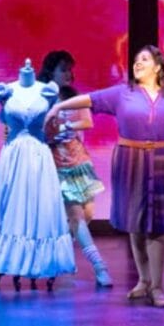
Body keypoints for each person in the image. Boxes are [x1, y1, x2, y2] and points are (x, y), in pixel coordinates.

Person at [47, 45, 164, 308]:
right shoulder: (123, 93)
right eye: (135, 60)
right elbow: (89, 99)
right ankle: (143, 280)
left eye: (144, 59)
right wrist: (59, 107)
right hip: (130, 159)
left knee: (158, 227)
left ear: (158, 66)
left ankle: (157, 286)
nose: (137, 63)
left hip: (163, 159)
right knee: (135, 223)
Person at [0, 58, 75, 290]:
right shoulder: (6, 91)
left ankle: (43, 262)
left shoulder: (47, 91)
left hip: (39, 154)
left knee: (42, 205)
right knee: (13, 206)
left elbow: (55, 126)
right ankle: (10, 260)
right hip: (13, 155)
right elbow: (5, 122)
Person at [39, 50, 113, 287]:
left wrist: (67, 125)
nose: (69, 74)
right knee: (76, 216)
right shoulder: (41, 97)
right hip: (57, 163)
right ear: (50, 71)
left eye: (70, 69)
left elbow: (88, 121)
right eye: (63, 69)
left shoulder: (73, 96)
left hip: (79, 160)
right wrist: (53, 132)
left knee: (88, 213)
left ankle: (58, 251)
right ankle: (100, 266)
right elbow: (37, 130)